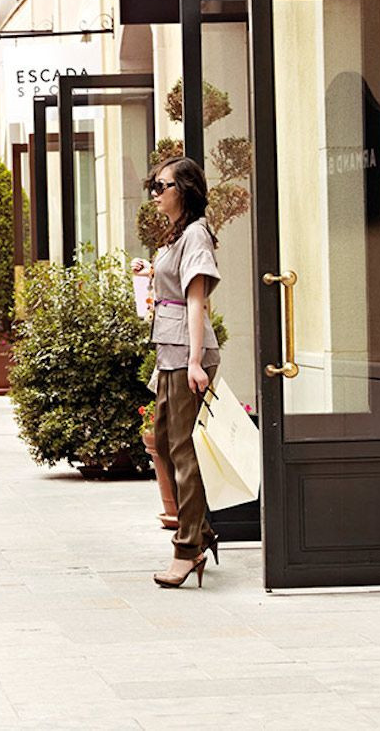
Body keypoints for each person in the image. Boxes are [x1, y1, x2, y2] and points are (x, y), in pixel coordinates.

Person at [132, 156, 221, 589]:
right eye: (153, 185)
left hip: (185, 352)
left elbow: (196, 300)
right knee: (166, 443)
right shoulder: (180, 235)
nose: (155, 193)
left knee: (182, 452)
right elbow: (175, 287)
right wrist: (151, 272)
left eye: (161, 185)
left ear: (183, 189)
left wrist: (194, 362)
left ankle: (188, 550)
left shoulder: (196, 234)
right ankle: (200, 533)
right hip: (170, 350)